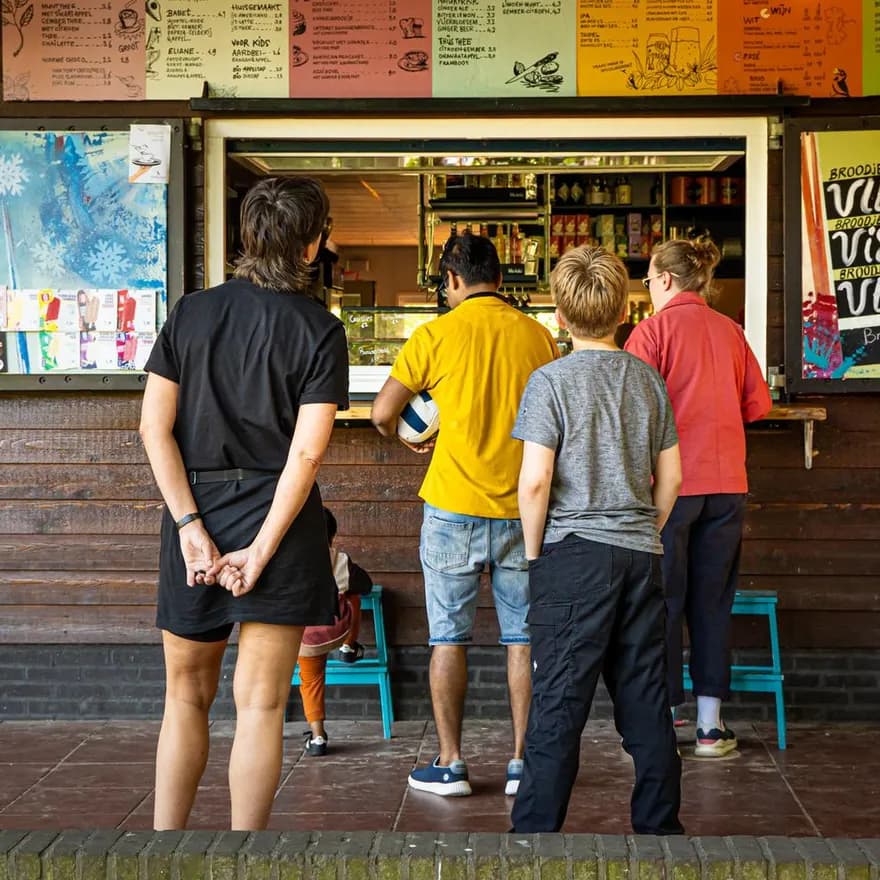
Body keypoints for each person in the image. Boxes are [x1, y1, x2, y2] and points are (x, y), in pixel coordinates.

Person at [139, 176, 349, 830]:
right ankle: (242, 860)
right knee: (259, 706)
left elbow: (153, 428)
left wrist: (189, 528)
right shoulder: (320, 330)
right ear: (311, 245)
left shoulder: (191, 313)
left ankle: (162, 854)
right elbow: (306, 456)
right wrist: (261, 549)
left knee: (184, 697)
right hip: (280, 524)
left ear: (247, 237)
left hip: (195, 507)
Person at [370, 232, 558, 797]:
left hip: (452, 508)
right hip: (522, 509)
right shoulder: (540, 337)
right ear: (500, 279)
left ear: (452, 280)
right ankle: (523, 763)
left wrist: (410, 437)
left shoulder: (433, 335)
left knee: (447, 638)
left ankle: (451, 764)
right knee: (522, 639)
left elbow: (383, 412)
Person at [509, 244, 684, 835]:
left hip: (571, 556)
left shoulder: (549, 382)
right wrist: (643, 533)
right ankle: (662, 833)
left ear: (559, 315)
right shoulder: (648, 379)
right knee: (645, 702)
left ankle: (532, 840)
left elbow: (534, 483)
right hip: (641, 556)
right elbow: (674, 477)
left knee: (557, 704)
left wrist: (536, 557)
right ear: (623, 311)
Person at [625, 237, 771, 757]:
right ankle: (711, 728)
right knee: (713, 603)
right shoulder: (732, 332)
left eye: (647, 280)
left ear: (664, 280)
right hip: (728, 486)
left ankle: (661, 723)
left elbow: (630, 413)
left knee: (661, 602)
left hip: (671, 490)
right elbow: (759, 406)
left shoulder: (652, 332)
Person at [298, 506, 374, 756]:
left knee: (311, 681)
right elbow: (366, 584)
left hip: (303, 638)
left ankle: (318, 738)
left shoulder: (289, 562)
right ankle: (349, 647)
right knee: (353, 596)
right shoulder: (339, 560)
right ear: (331, 536)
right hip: (335, 629)